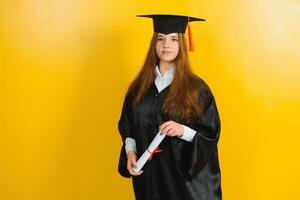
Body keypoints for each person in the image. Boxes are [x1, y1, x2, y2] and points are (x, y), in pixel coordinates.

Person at [117, 14, 222, 200]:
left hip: (183, 186)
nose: (167, 45)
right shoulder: (138, 88)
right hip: (150, 180)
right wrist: (130, 152)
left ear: (182, 43)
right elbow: (129, 126)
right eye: (161, 39)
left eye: (173, 39)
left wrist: (182, 130)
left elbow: (210, 134)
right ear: (154, 44)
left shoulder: (196, 89)